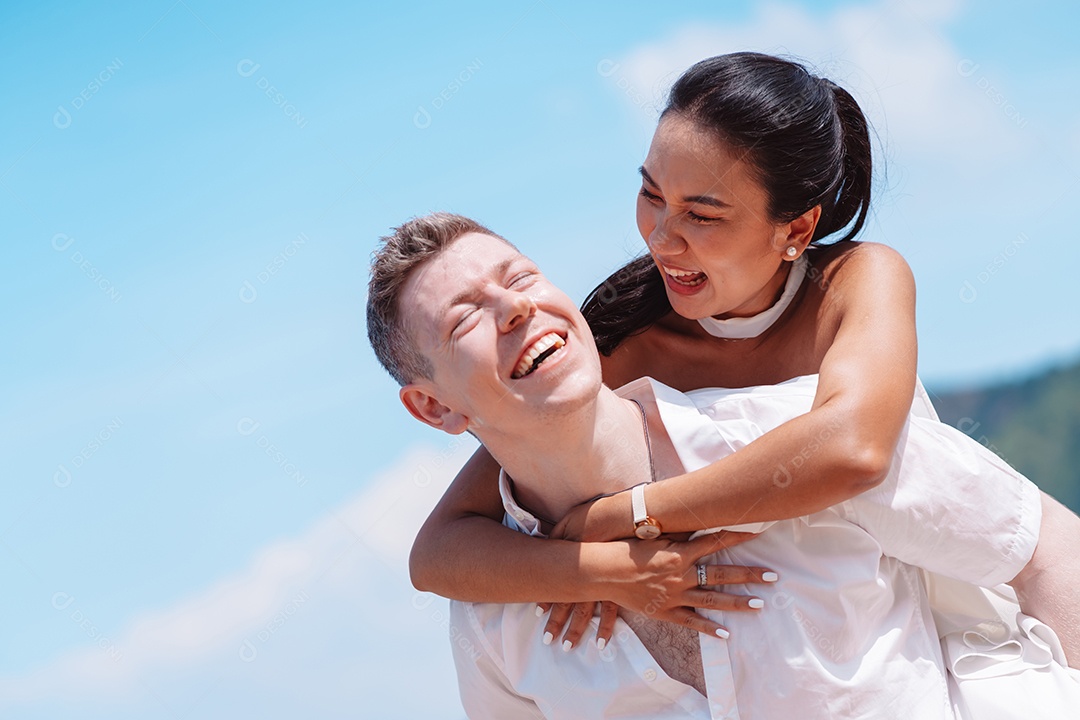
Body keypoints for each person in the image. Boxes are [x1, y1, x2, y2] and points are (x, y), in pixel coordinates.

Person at [406, 52, 1080, 660]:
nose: (663, 239)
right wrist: (593, 568)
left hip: (998, 610)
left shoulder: (855, 282)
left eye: (703, 216)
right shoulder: (623, 347)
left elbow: (854, 451)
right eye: (650, 195)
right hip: (834, 656)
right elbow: (438, 552)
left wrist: (621, 516)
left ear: (797, 229)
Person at [366, 214, 1080, 719]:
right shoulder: (495, 626)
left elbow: (1045, 547)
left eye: (520, 276)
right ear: (434, 409)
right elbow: (433, 556)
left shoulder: (799, 440)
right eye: (465, 318)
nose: (516, 307)